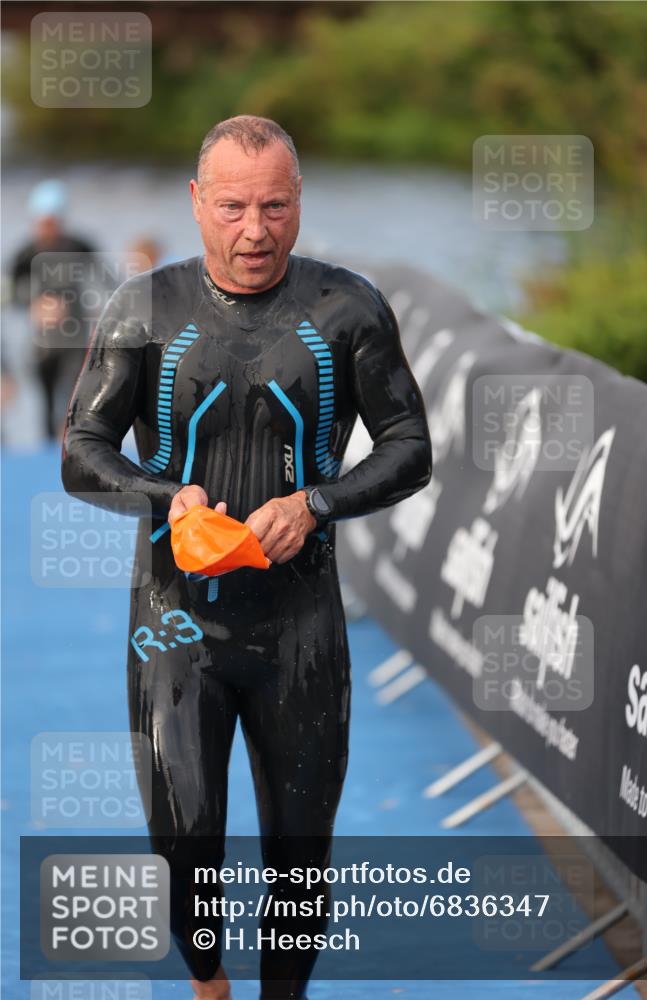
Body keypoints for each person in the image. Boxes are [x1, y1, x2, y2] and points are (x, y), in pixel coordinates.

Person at [61, 116, 431, 1000]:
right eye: (231, 207)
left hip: (300, 622)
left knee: (299, 859)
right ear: (197, 204)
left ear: (298, 203)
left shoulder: (347, 308)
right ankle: (208, 978)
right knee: (185, 843)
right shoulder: (146, 307)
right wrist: (166, 495)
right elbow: (81, 450)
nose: (253, 231)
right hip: (174, 620)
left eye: (273, 206)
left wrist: (316, 503)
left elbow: (409, 445)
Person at [10, 179, 98, 439]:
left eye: (52, 221)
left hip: (75, 339)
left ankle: (71, 450)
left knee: (73, 403)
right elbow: (10, 294)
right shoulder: (24, 254)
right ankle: (48, 454)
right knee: (46, 406)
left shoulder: (79, 247)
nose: (47, 228)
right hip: (42, 343)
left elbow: (106, 284)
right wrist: (33, 305)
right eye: (42, 222)